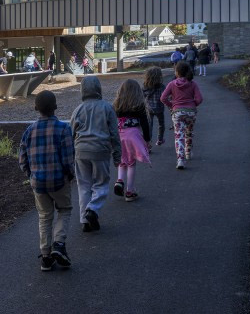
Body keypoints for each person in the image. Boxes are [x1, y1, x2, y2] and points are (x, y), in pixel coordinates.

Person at [19, 90, 75, 272]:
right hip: (59, 180)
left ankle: (45, 256)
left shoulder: (29, 131)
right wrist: (70, 174)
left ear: (35, 108)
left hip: (38, 183)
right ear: (56, 107)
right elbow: (68, 157)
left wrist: (30, 175)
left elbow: (22, 159)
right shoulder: (64, 129)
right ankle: (59, 244)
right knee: (64, 210)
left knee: (44, 217)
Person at [70, 76, 121, 232]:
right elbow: (114, 133)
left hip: (81, 151)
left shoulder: (78, 109)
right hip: (101, 150)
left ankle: (85, 220)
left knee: (84, 186)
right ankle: (92, 209)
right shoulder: (107, 108)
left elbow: (71, 132)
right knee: (101, 183)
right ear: (99, 89)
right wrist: (117, 154)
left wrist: (71, 154)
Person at [112, 79, 151, 202]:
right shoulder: (139, 105)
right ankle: (130, 191)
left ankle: (119, 181)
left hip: (119, 134)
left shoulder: (116, 105)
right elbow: (145, 124)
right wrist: (147, 139)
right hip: (132, 135)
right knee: (131, 163)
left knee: (122, 161)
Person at [160, 61, 203, 169]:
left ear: (177, 72)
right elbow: (199, 99)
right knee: (189, 132)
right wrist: (193, 104)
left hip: (177, 112)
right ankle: (188, 152)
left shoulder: (172, 84)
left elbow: (163, 98)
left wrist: (172, 105)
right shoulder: (193, 84)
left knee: (179, 135)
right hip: (191, 112)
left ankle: (180, 159)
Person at [142, 67, 167, 146]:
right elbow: (165, 96)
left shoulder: (144, 86)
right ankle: (160, 139)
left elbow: (142, 96)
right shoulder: (162, 86)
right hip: (159, 108)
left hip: (149, 108)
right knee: (161, 124)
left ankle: (148, 143)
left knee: (149, 125)